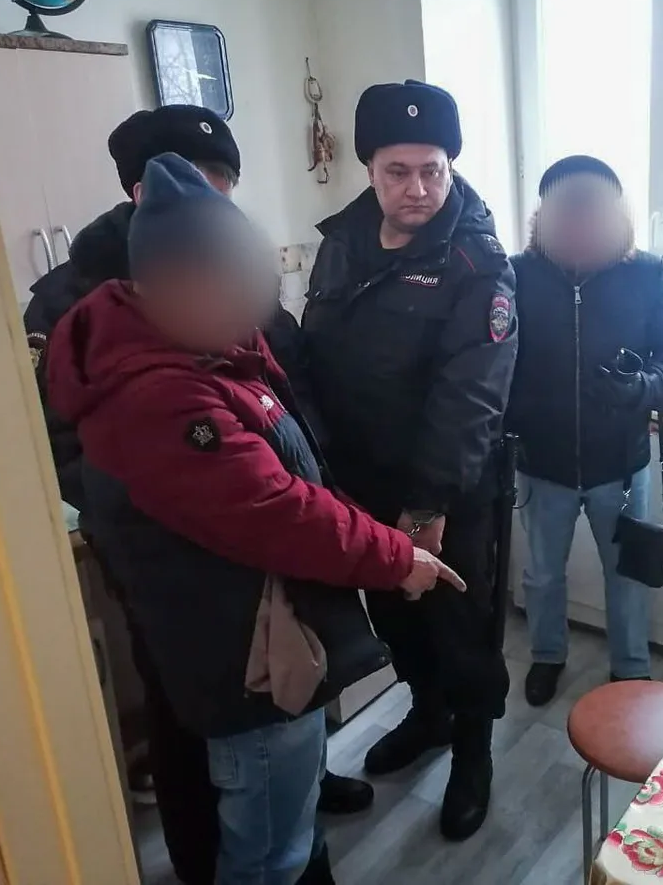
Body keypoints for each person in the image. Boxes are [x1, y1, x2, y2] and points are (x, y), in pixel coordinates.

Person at [46, 153, 466, 885]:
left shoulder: (209, 349)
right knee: (267, 852)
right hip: (244, 660)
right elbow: (277, 509)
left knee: (287, 823)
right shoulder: (162, 396)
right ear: (166, 284)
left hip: (265, 638)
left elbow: (293, 475)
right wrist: (397, 557)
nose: (250, 308)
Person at [21, 106, 373, 885]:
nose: (212, 201)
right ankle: (202, 856)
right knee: (198, 722)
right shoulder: (74, 296)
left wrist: (309, 478)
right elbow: (63, 442)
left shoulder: (229, 269)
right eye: (194, 181)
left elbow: (288, 383)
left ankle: (302, 813)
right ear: (140, 191)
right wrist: (172, 502)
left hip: (271, 532)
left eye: (223, 184)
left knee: (290, 695)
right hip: (177, 565)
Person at [298, 80, 517, 841]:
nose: (418, 188)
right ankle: (428, 716)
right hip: (360, 484)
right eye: (398, 171)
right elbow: (317, 352)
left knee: (460, 628)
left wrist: (426, 506)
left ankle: (474, 754)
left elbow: (471, 397)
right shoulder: (343, 242)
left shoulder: (477, 262)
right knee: (395, 616)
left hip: (446, 493)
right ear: (369, 169)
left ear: (451, 167)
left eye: (433, 170)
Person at [507, 155, 663, 707]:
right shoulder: (516, 274)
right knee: (543, 575)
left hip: (621, 463)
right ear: (543, 217)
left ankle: (631, 669)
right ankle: (547, 655)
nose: (579, 222)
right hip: (541, 462)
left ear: (616, 215)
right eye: (566, 210)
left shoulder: (647, 273)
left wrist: (642, 387)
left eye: (592, 210)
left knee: (627, 573)